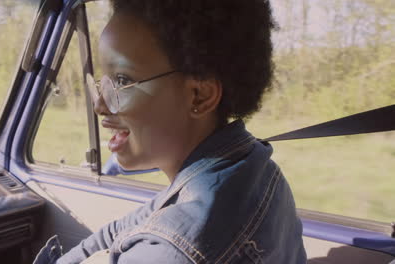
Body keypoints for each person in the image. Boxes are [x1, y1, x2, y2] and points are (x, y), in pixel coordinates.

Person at [34, 0, 307, 263]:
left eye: (122, 81)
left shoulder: (172, 251)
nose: (100, 105)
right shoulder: (258, 170)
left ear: (199, 96)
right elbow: (114, 233)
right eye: (104, 82)